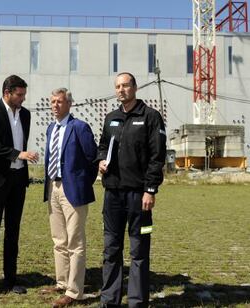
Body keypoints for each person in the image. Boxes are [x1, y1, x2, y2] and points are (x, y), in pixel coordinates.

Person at [97, 72, 166, 308]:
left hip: (139, 195)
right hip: (113, 194)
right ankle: (109, 300)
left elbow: (157, 157)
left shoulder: (150, 117)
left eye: (125, 85)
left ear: (135, 88)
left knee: (139, 250)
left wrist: (150, 190)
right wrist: (100, 161)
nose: (121, 90)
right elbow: (103, 146)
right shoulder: (111, 118)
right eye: (117, 86)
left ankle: (137, 302)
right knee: (111, 249)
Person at [0, 75, 39, 303]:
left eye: (24, 95)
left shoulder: (25, 114)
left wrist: (21, 158)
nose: (22, 99)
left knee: (13, 231)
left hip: (18, 179)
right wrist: (17, 154)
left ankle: (11, 279)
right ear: (7, 92)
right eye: (19, 95)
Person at [42, 88, 97, 308]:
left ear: (69, 104)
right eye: (52, 101)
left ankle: (74, 292)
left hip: (73, 191)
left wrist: (82, 184)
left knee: (75, 242)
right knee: (59, 240)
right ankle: (62, 282)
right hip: (53, 187)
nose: (55, 105)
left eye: (60, 101)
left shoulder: (79, 128)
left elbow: (93, 159)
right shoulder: (50, 128)